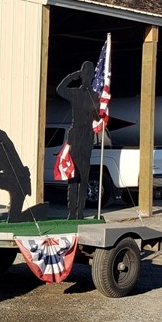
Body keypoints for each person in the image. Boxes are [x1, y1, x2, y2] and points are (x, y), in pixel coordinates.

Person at [56, 62, 101, 219]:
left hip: (87, 137)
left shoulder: (95, 96)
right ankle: (72, 212)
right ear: (81, 76)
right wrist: (72, 76)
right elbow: (59, 89)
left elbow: (97, 116)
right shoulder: (75, 93)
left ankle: (80, 211)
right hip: (76, 136)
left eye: (89, 75)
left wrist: (99, 114)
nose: (87, 77)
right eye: (84, 74)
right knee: (72, 176)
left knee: (84, 176)